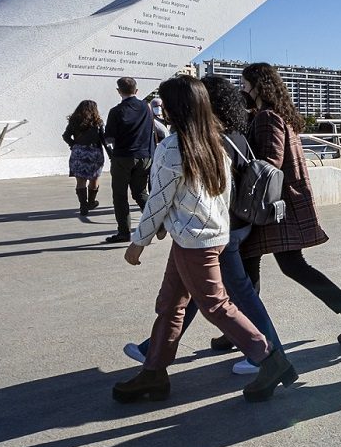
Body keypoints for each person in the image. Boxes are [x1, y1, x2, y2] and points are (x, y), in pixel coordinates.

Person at [111, 76, 295, 404]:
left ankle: (269, 358)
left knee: (214, 305)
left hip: (194, 241)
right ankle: (153, 371)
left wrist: (139, 241)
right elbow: (220, 195)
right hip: (209, 234)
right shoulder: (214, 141)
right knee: (171, 304)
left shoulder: (172, 146)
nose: (162, 109)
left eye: (165, 103)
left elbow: (158, 199)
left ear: (176, 107)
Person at [238, 62, 341, 346]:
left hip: (273, 206)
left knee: (254, 267)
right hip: (285, 202)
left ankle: (245, 330)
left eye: (244, 84)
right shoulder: (280, 114)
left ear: (257, 86)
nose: (242, 90)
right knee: (279, 266)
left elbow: (269, 163)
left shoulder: (266, 117)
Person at [103, 77, 156, 244]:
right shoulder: (146, 108)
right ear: (137, 90)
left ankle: (124, 232)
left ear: (119, 91)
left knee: (120, 195)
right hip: (145, 156)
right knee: (140, 193)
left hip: (123, 157)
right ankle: (159, 222)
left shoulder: (116, 111)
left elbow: (109, 137)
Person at [63, 100, 106, 220]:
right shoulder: (98, 122)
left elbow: (65, 136)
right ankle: (91, 202)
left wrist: (73, 144)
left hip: (78, 153)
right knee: (94, 179)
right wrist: (111, 154)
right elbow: (103, 139)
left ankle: (83, 206)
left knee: (80, 181)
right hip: (94, 153)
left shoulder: (74, 121)